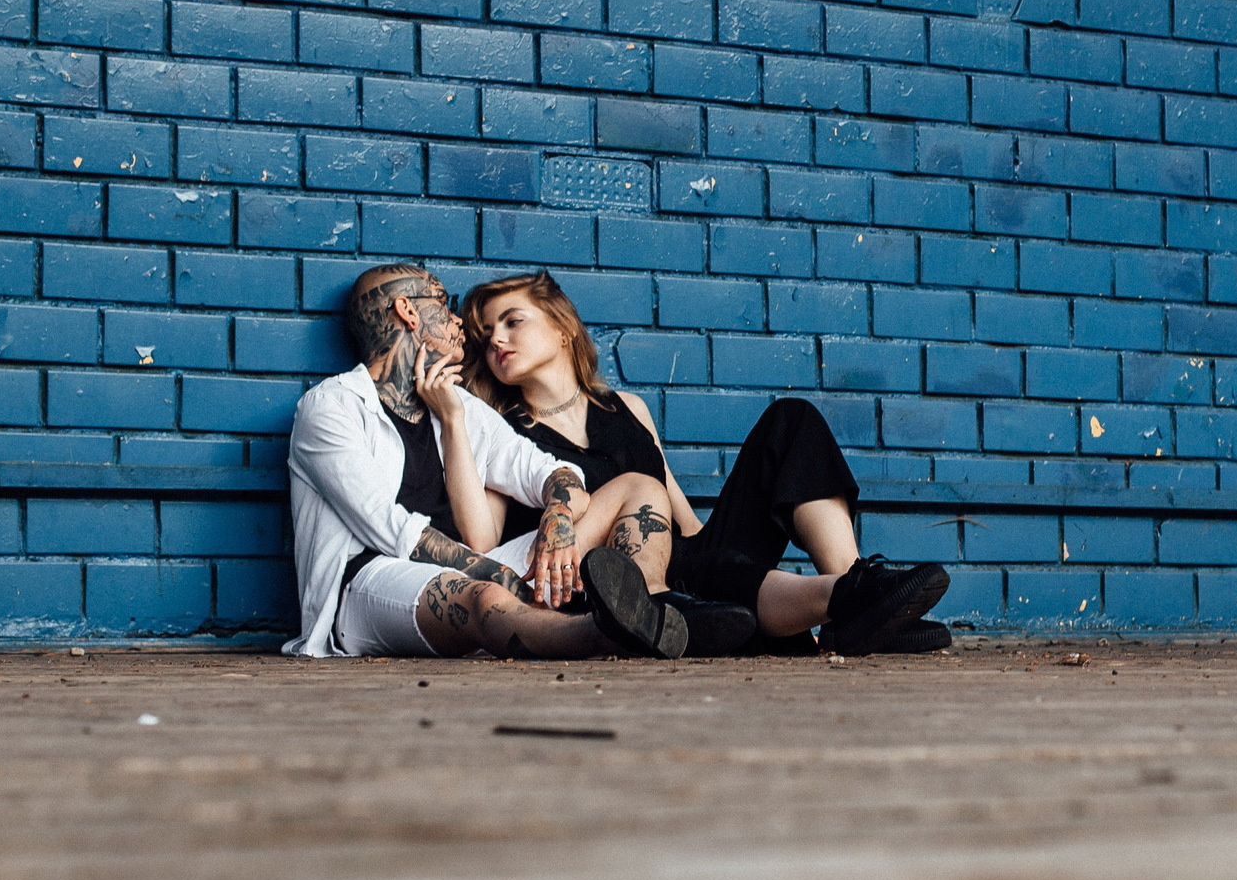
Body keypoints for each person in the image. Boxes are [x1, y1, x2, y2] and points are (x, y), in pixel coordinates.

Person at [456, 271, 952, 655]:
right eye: (486, 333)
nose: (496, 338)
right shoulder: (503, 435)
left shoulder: (626, 408)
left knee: (790, 419)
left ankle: (858, 600)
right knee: (700, 571)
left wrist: (716, 549)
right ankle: (852, 601)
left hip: (683, 558)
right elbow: (488, 545)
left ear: (563, 329)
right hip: (612, 589)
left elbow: (680, 516)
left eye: (512, 321)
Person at [282, 262, 705, 661]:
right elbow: (388, 528)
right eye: (443, 304)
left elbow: (548, 470)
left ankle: (651, 606)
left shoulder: (458, 404)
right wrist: (499, 577)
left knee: (639, 488)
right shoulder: (331, 406)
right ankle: (605, 633)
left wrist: (557, 517)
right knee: (485, 599)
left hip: (474, 572)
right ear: (407, 311)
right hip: (369, 587)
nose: (459, 321)